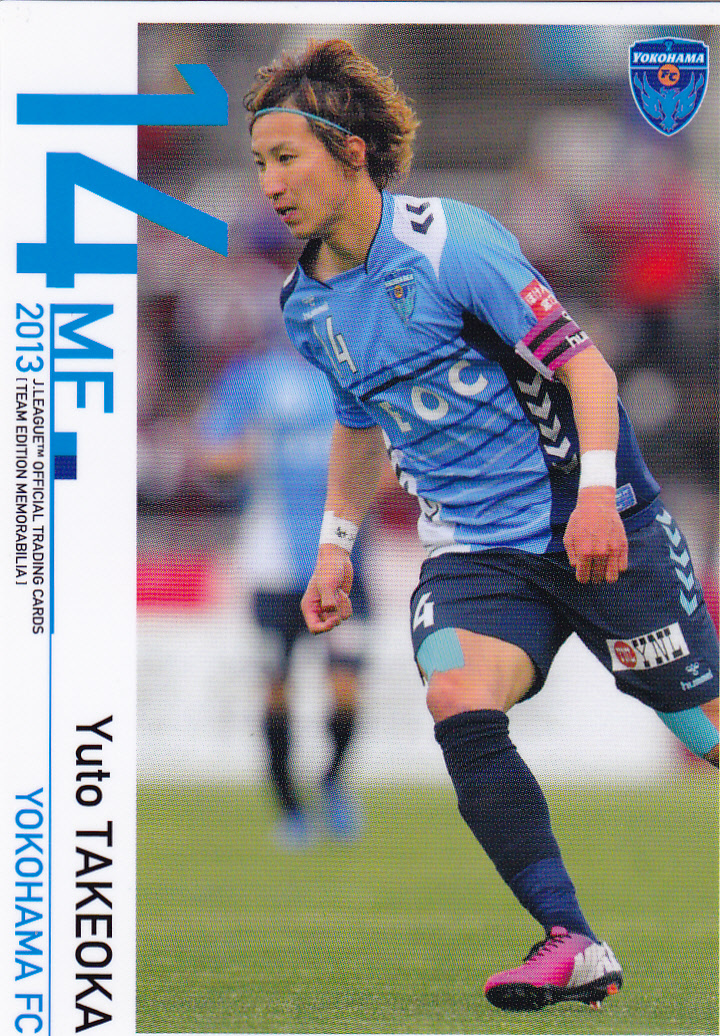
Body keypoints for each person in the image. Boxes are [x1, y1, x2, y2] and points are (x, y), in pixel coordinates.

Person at [244, 38, 719, 1011]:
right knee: (457, 695)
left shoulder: (450, 244)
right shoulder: (307, 305)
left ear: (351, 153)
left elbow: (586, 368)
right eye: (259, 163)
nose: (271, 184)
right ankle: (572, 940)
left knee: (702, 730)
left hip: (597, 526)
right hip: (475, 553)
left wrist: (597, 497)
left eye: (286, 157)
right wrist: (335, 547)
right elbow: (358, 423)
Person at [196, 336, 371, 847]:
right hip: (273, 563)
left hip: (346, 562)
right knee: (276, 687)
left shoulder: (358, 368)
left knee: (346, 685)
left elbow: (385, 463)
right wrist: (260, 452)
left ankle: (332, 783)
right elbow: (212, 456)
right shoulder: (252, 376)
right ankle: (289, 806)